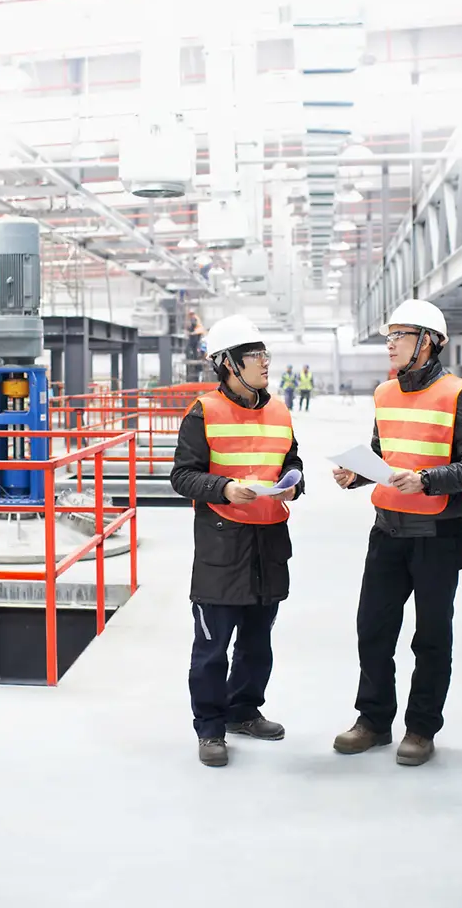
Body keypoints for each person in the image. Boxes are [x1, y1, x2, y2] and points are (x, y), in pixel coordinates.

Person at [329, 299, 462, 766]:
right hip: (386, 532)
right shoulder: (384, 394)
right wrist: (357, 475)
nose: (390, 345)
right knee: (373, 630)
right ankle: (374, 722)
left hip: (436, 536)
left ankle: (421, 729)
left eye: (399, 336)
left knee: (431, 637)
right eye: (389, 336)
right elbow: (384, 454)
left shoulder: (461, 394)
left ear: (429, 342)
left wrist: (427, 480)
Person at [169, 314, 302, 768]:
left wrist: (293, 484)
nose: (265, 363)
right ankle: (210, 728)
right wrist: (223, 488)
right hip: (222, 548)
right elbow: (183, 476)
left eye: (266, 354)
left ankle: (244, 711)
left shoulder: (280, 410)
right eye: (255, 356)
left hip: (269, 542)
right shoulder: (203, 412)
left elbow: (291, 460)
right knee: (211, 646)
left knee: (257, 640)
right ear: (228, 363)